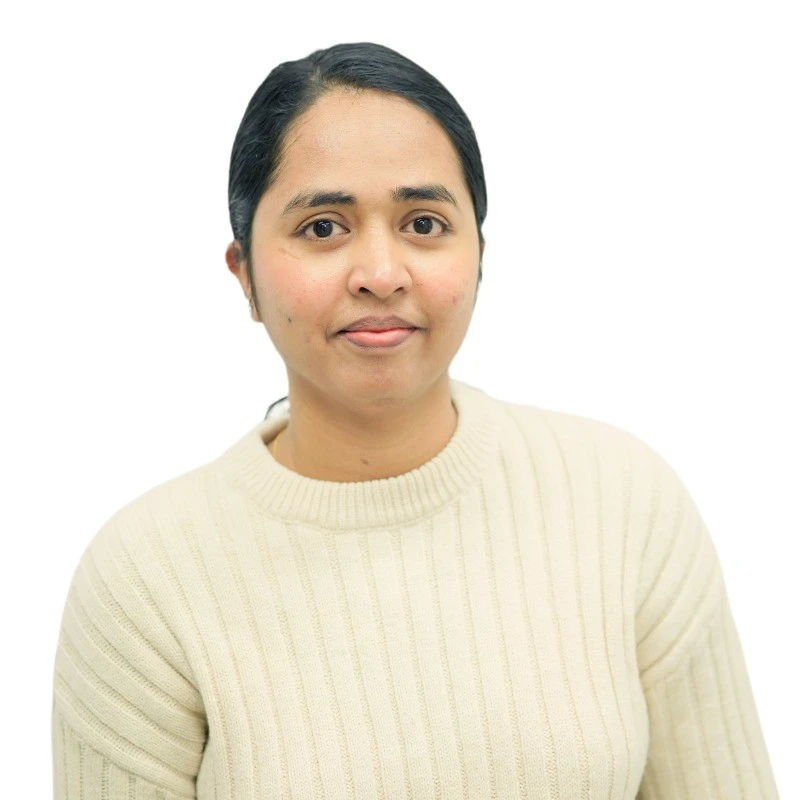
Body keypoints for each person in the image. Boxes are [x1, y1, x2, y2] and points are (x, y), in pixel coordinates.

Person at [50, 42, 779, 799]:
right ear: (246, 276)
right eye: (323, 228)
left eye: (423, 223)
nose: (380, 274)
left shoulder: (624, 504)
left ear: (479, 256)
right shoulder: (144, 581)